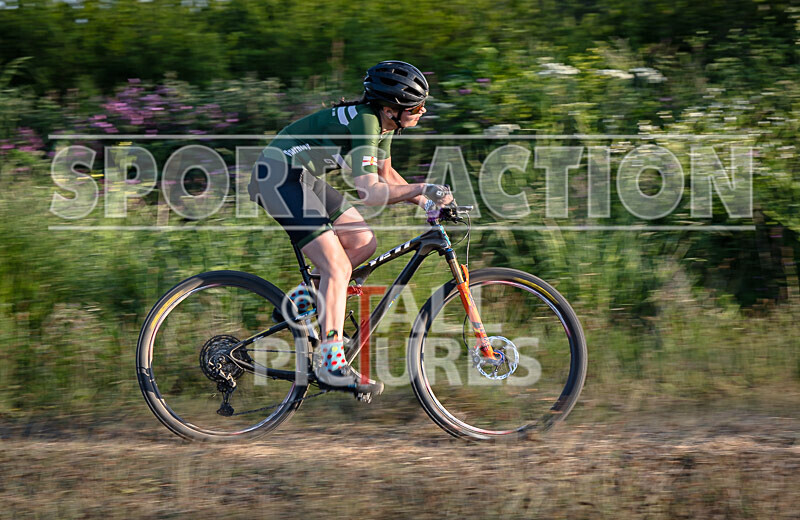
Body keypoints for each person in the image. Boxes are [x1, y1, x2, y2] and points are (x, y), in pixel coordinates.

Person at [248, 60, 453, 397]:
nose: (422, 110)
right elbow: (370, 192)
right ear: (391, 109)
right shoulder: (367, 122)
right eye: (415, 107)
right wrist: (422, 188)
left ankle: (300, 301)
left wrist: (429, 203)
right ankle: (331, 363)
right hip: (277, 178)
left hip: (298, 177)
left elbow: (386, 177)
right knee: (338, 265)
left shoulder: (381, 124)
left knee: (362, 241)